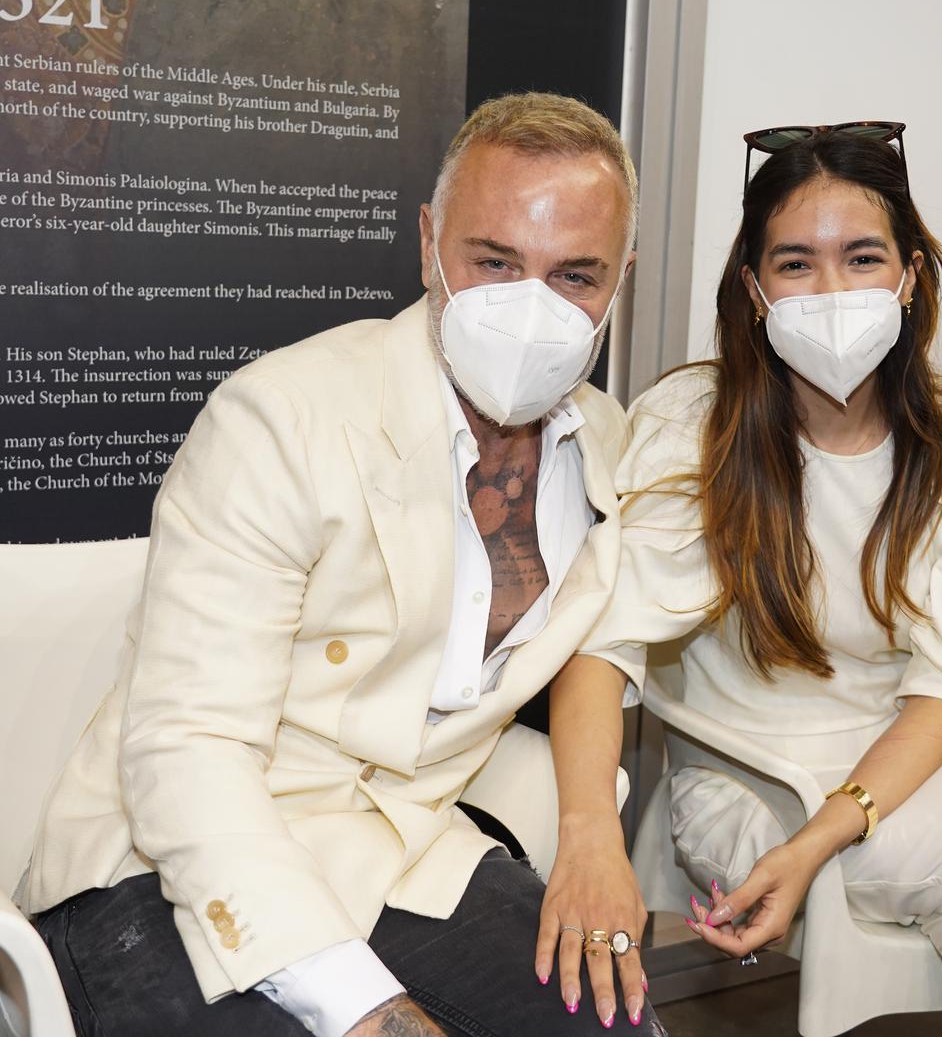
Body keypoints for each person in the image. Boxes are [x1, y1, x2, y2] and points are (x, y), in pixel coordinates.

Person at [20, 92, 664, 1037]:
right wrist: (368, 1008)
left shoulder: (608, 448)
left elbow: (607, 637)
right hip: (167, 867)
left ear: (619, 282)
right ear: (428, 244)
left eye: (574, 275)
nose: (531, 309)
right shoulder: (283, 418)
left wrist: (591, 831)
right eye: (493, 263)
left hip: (396, 851)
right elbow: (189, 748)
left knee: (612, 1022)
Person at [566, 124, 942, 1035]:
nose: (833, 291)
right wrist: (588, 839)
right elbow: (602, 647)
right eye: (796, 264)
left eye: (862, 258)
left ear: (910, 276)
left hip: (921, 772)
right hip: (754, 788)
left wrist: (826, 837)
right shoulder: (694, 430)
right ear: (753, 288)